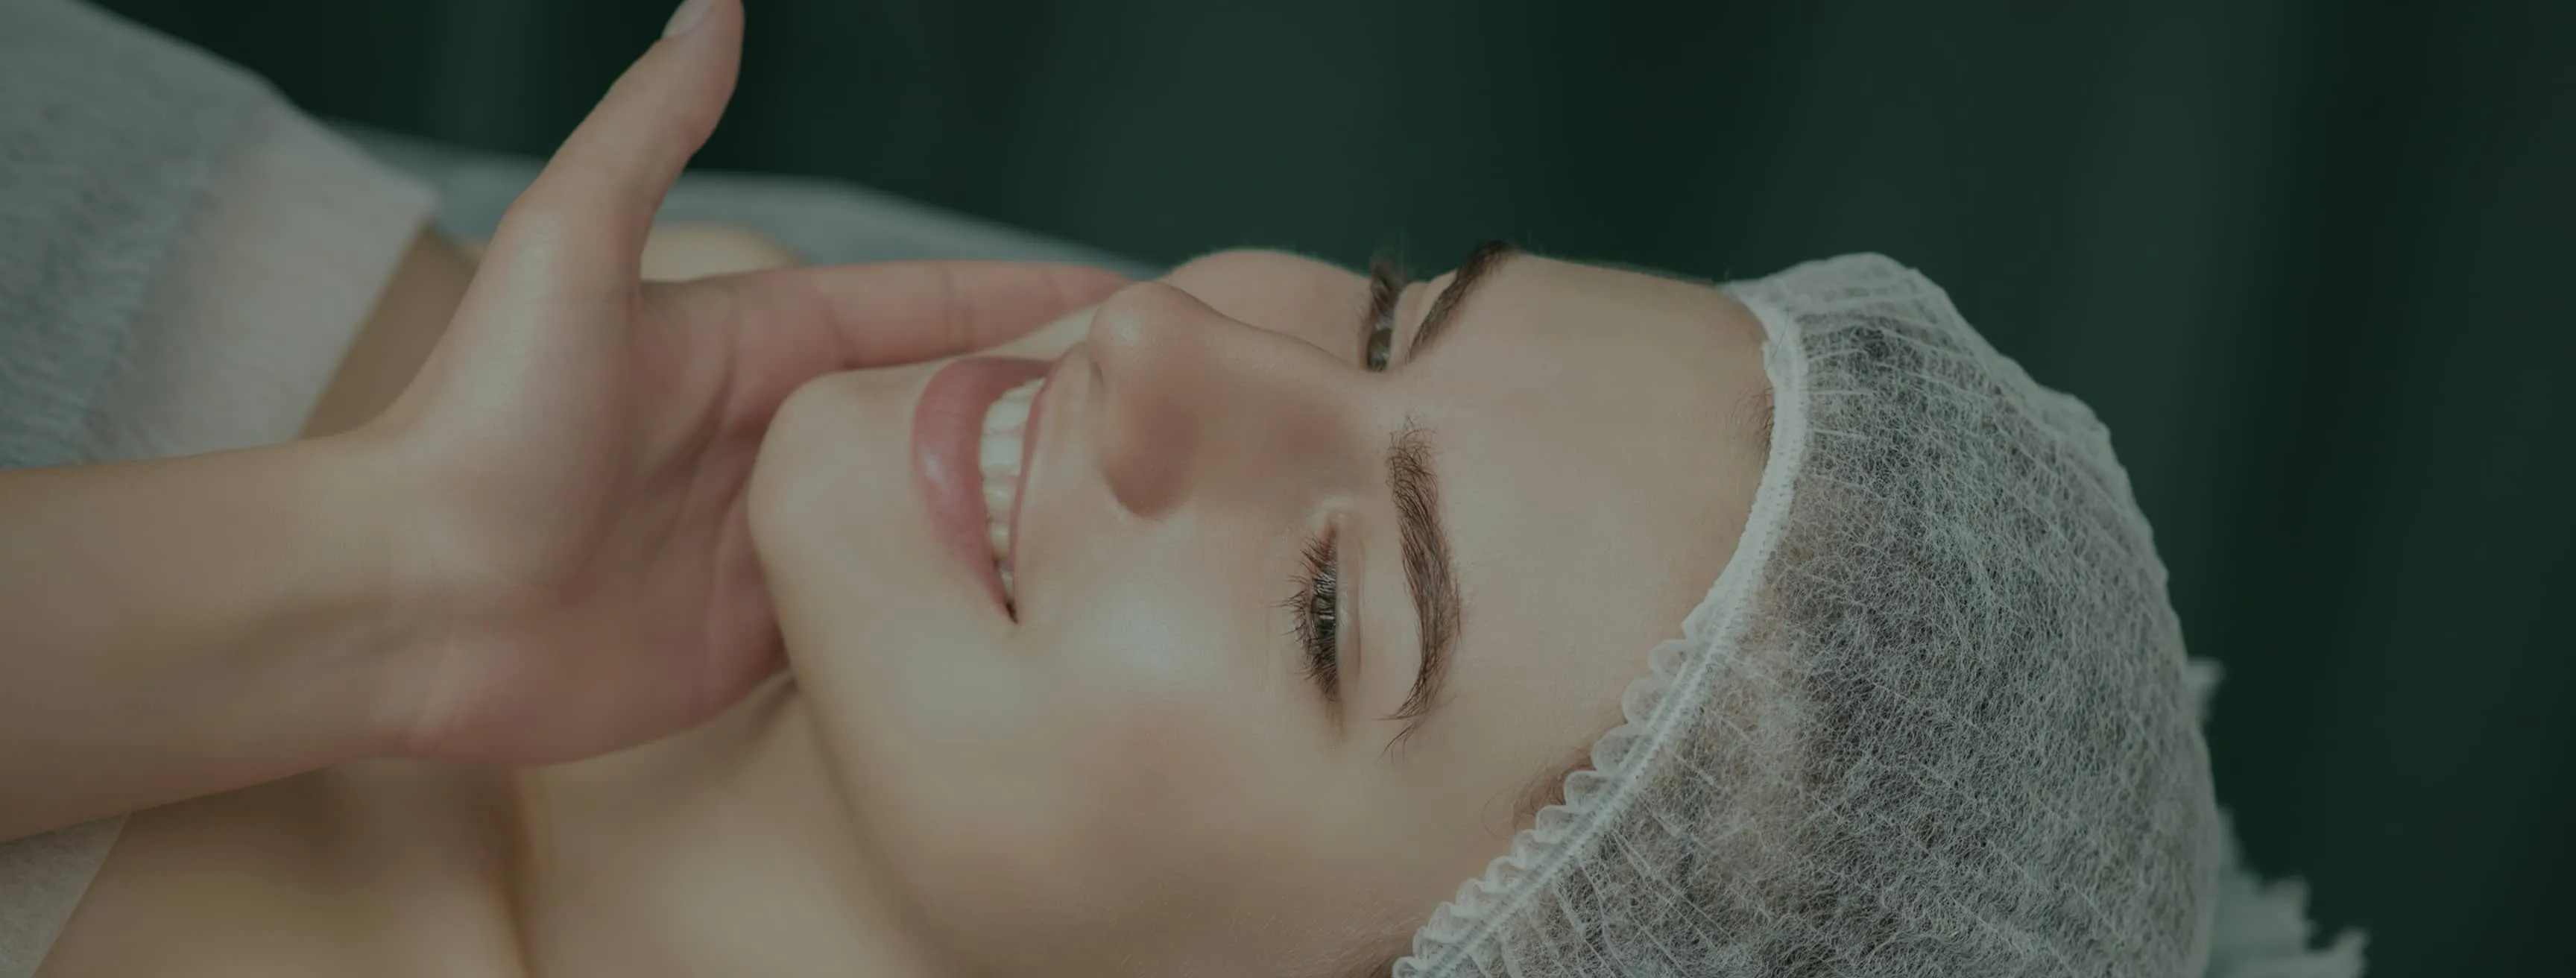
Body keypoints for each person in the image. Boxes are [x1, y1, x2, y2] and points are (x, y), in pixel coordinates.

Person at [3, 1, 2364, 975]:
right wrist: (375, 576)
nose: (1149, 345)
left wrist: (387, 607)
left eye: (1336, 612)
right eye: (1378, 314)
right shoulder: (126, 224)